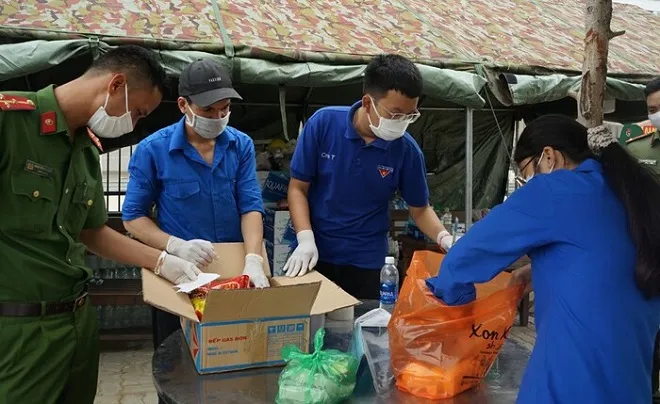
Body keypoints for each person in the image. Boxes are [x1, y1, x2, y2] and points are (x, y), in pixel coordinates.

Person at [0, 45, 205, 404]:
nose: (135, 124)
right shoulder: (9, 121)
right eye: (138, 112)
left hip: (77, 323)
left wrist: (162, 261)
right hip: (17, 329)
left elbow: (92, 231)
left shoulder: (86, 150)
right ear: (116, 85)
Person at [426, 114, 660, 403]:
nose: (527, 184)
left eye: (526, 174)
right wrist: (537, 271)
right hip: (632, 384)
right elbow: (602, 257)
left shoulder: (555, 189)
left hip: (571, 382)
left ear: (549, 157)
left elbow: (460, 261)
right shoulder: (630, 195)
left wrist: (458, 322)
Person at [122, 58, 267, 349]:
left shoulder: (240, 145)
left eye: (225, 108)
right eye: (208, 110)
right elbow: (133, 218)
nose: (218, 116)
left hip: (233, 276)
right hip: (181, 277)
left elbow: (250, 206)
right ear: (183, 106)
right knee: (177, 359)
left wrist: (253, 260)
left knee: (235, 354)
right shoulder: (154, 150)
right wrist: (175, 245)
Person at [283, 54, 455, 299]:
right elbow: (298, 188)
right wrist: (305, 238)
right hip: (315, 251)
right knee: (306, 327)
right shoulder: (324, 124)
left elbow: (419, 209)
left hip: (366, 258)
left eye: (410, 116)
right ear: (367, 102)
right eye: (395, 114)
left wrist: (445, 238)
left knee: (364, 328)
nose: (402, 123)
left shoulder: (406, 151)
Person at [626, 77, 660, 402]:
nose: (657, 114)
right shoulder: (636, 148)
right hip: (649, 258)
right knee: (649, 339)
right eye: (653, 109)